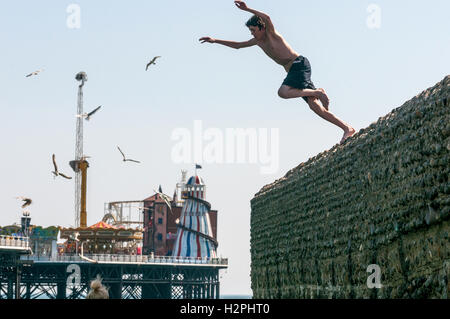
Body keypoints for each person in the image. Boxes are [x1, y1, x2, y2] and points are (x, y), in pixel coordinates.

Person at [200, 1, 356, 144]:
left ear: (261, 28)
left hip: (299, 64)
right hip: (294, 71)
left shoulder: (271, 34)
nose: (252, 34)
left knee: (283, 92)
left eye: (253, 30)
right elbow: (238, 46)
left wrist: (247, 9)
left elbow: (267, 17)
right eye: (250, 31)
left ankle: (318, 92)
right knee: (315, 107)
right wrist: (215, 40)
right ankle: (347, 128)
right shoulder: (257, 42)